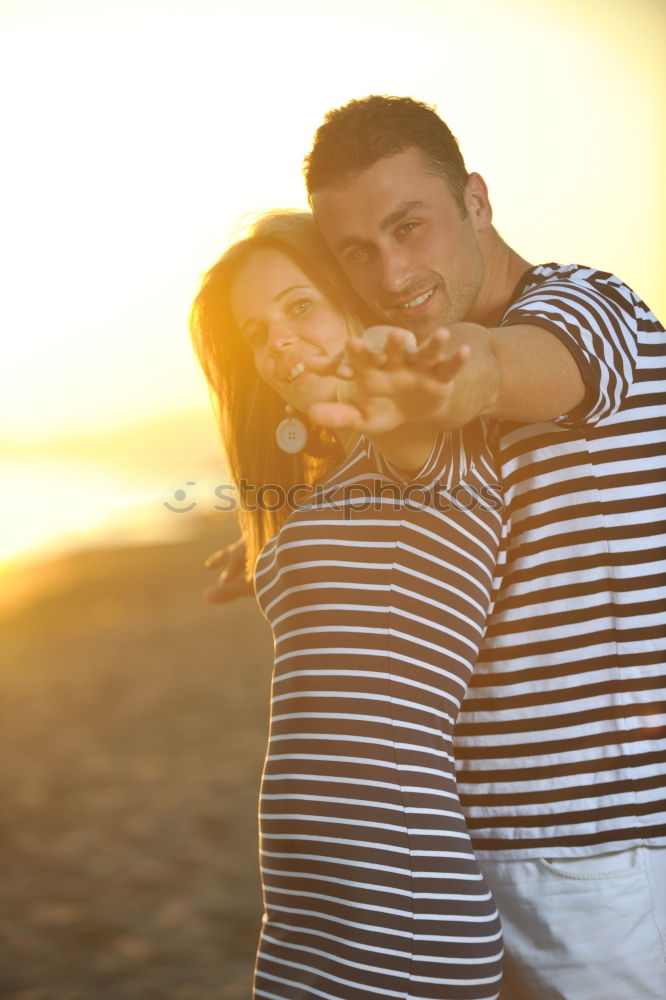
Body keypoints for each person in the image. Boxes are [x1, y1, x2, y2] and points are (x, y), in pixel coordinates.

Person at [207, 96, 666, 999]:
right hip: (471, 839)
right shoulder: (406, 394)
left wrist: (462, 381)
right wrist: (277, 539)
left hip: (596, 851)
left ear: (478, 202)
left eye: (410, 227)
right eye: (359, 253)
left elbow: (508, 366)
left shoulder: (590, 310)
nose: (393, 271)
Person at [190, 211, 506, 999]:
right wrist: (260, 555)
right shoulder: (334, 489)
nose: (279, 344)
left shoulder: (424, 438)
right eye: (258, 333)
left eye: (301, 307)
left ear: (355, 298)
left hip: (395, 894)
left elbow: (409, 426)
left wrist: (389, 370)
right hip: (312, 898)